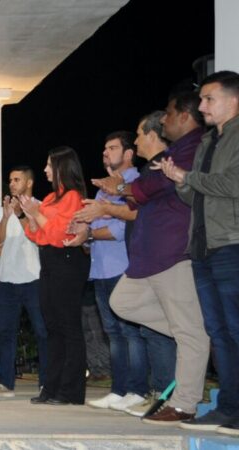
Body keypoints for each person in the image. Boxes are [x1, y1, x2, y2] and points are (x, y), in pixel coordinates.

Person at [98, 108, 208, 425]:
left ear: (150, 135)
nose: (135, 140)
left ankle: (184, 403)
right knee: (123, 302)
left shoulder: (179, 155)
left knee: (190, 334)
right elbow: (138, 199)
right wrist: (122, 191)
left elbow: (140, 194)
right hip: (147, 258)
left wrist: (118, 189)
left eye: (137, 135)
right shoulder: (156, 165)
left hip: (172, 254)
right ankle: (195, 336)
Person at [157, 71, 239, 434]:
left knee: (234, 330)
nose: (202, 106)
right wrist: (180, 181)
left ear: (233, 100)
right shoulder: (208, 141)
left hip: (232, 244)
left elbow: (233, 184)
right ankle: (229, 409)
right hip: (203, 247)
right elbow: (196, 195)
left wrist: (187, 178)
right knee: (219, 332)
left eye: (209, 99)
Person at [82, 132, 149, 412]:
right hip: (100, 269)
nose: (105, 153)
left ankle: (137, 389)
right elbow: (94, 226)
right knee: (113, 332)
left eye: (112, 148)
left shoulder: (133, 183)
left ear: (129, 153)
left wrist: (90, 232)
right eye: (104, 148)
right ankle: (119, 389)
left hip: (122, 267)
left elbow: (119, 230)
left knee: (129, 331)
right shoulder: (103, 188)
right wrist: (87, 235)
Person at [21, 146, 90, 406]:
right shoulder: (50, 198)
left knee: (68, 326)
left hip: (68, 262)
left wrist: (36, 215)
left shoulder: (73, 196)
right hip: (49, 260)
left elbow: (60, 236)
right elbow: (37, 235)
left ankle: (70, 391)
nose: (46, 170)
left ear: (62, 167)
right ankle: (51, 387)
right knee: (52, 326)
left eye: (50, 165)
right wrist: (32, 216)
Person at [0, 165, 47, 397]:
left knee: (42, 331)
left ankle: (46, 381)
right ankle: (6, 382)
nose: (12, 183)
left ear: (29, 183)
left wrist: (22, 214)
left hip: (34, 277)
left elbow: (40, 237)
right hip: (6, 278)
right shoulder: (5, 209)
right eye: (10, 180)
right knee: (5, 332)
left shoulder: (41, 206)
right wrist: (6, 217)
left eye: (17, 179)